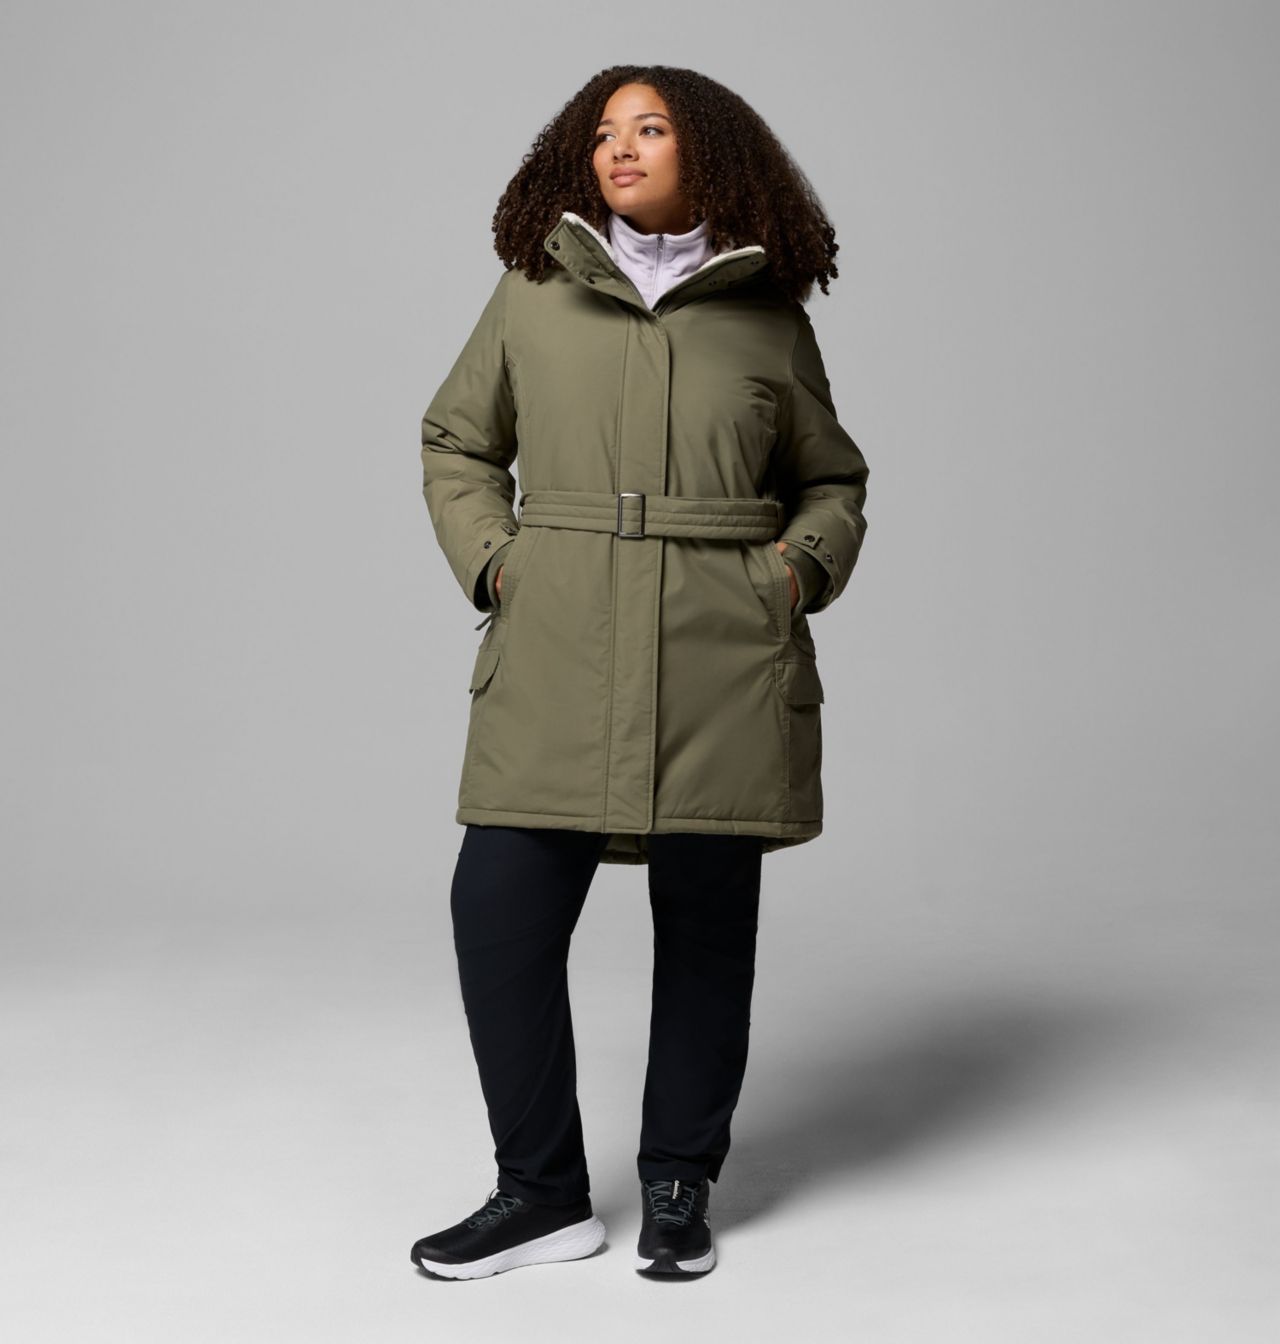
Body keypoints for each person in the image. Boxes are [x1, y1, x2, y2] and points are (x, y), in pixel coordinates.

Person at [410, 64, 870, 1280]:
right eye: (604, 131)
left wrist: (793, 574)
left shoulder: (766, 313)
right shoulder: (533, 290)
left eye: (650, 128)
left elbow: (829, 479)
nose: (620, 148)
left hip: (721, 655)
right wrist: (497, 562)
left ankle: (678, 1183)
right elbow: (457, 440)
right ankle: (539, 1194)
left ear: (705, 152)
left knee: (706, 928)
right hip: (556, 645)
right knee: (497, 914)